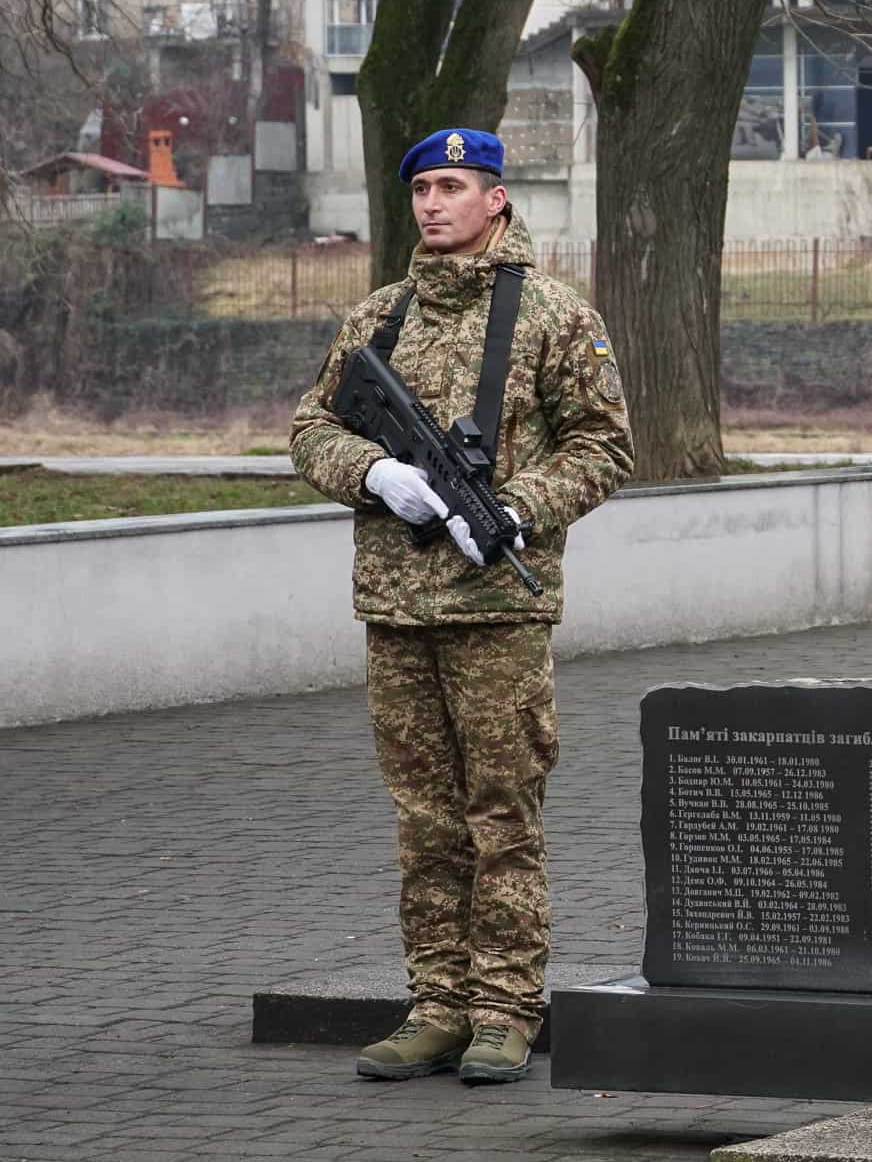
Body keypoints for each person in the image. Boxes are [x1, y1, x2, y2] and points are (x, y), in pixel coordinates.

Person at [291, 127, 633, 1085]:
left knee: (502, 817)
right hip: (399, 608)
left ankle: (505, 1010)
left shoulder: (554, 316)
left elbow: (604, 445)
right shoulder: (379, 318)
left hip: (496, 613)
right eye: (423, 190)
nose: (433, 204)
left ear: (497, 199)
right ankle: (436, 1005)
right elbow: (311, 426)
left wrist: (518, 509)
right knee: (424, 821)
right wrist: (374, 472)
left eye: (452, 186)